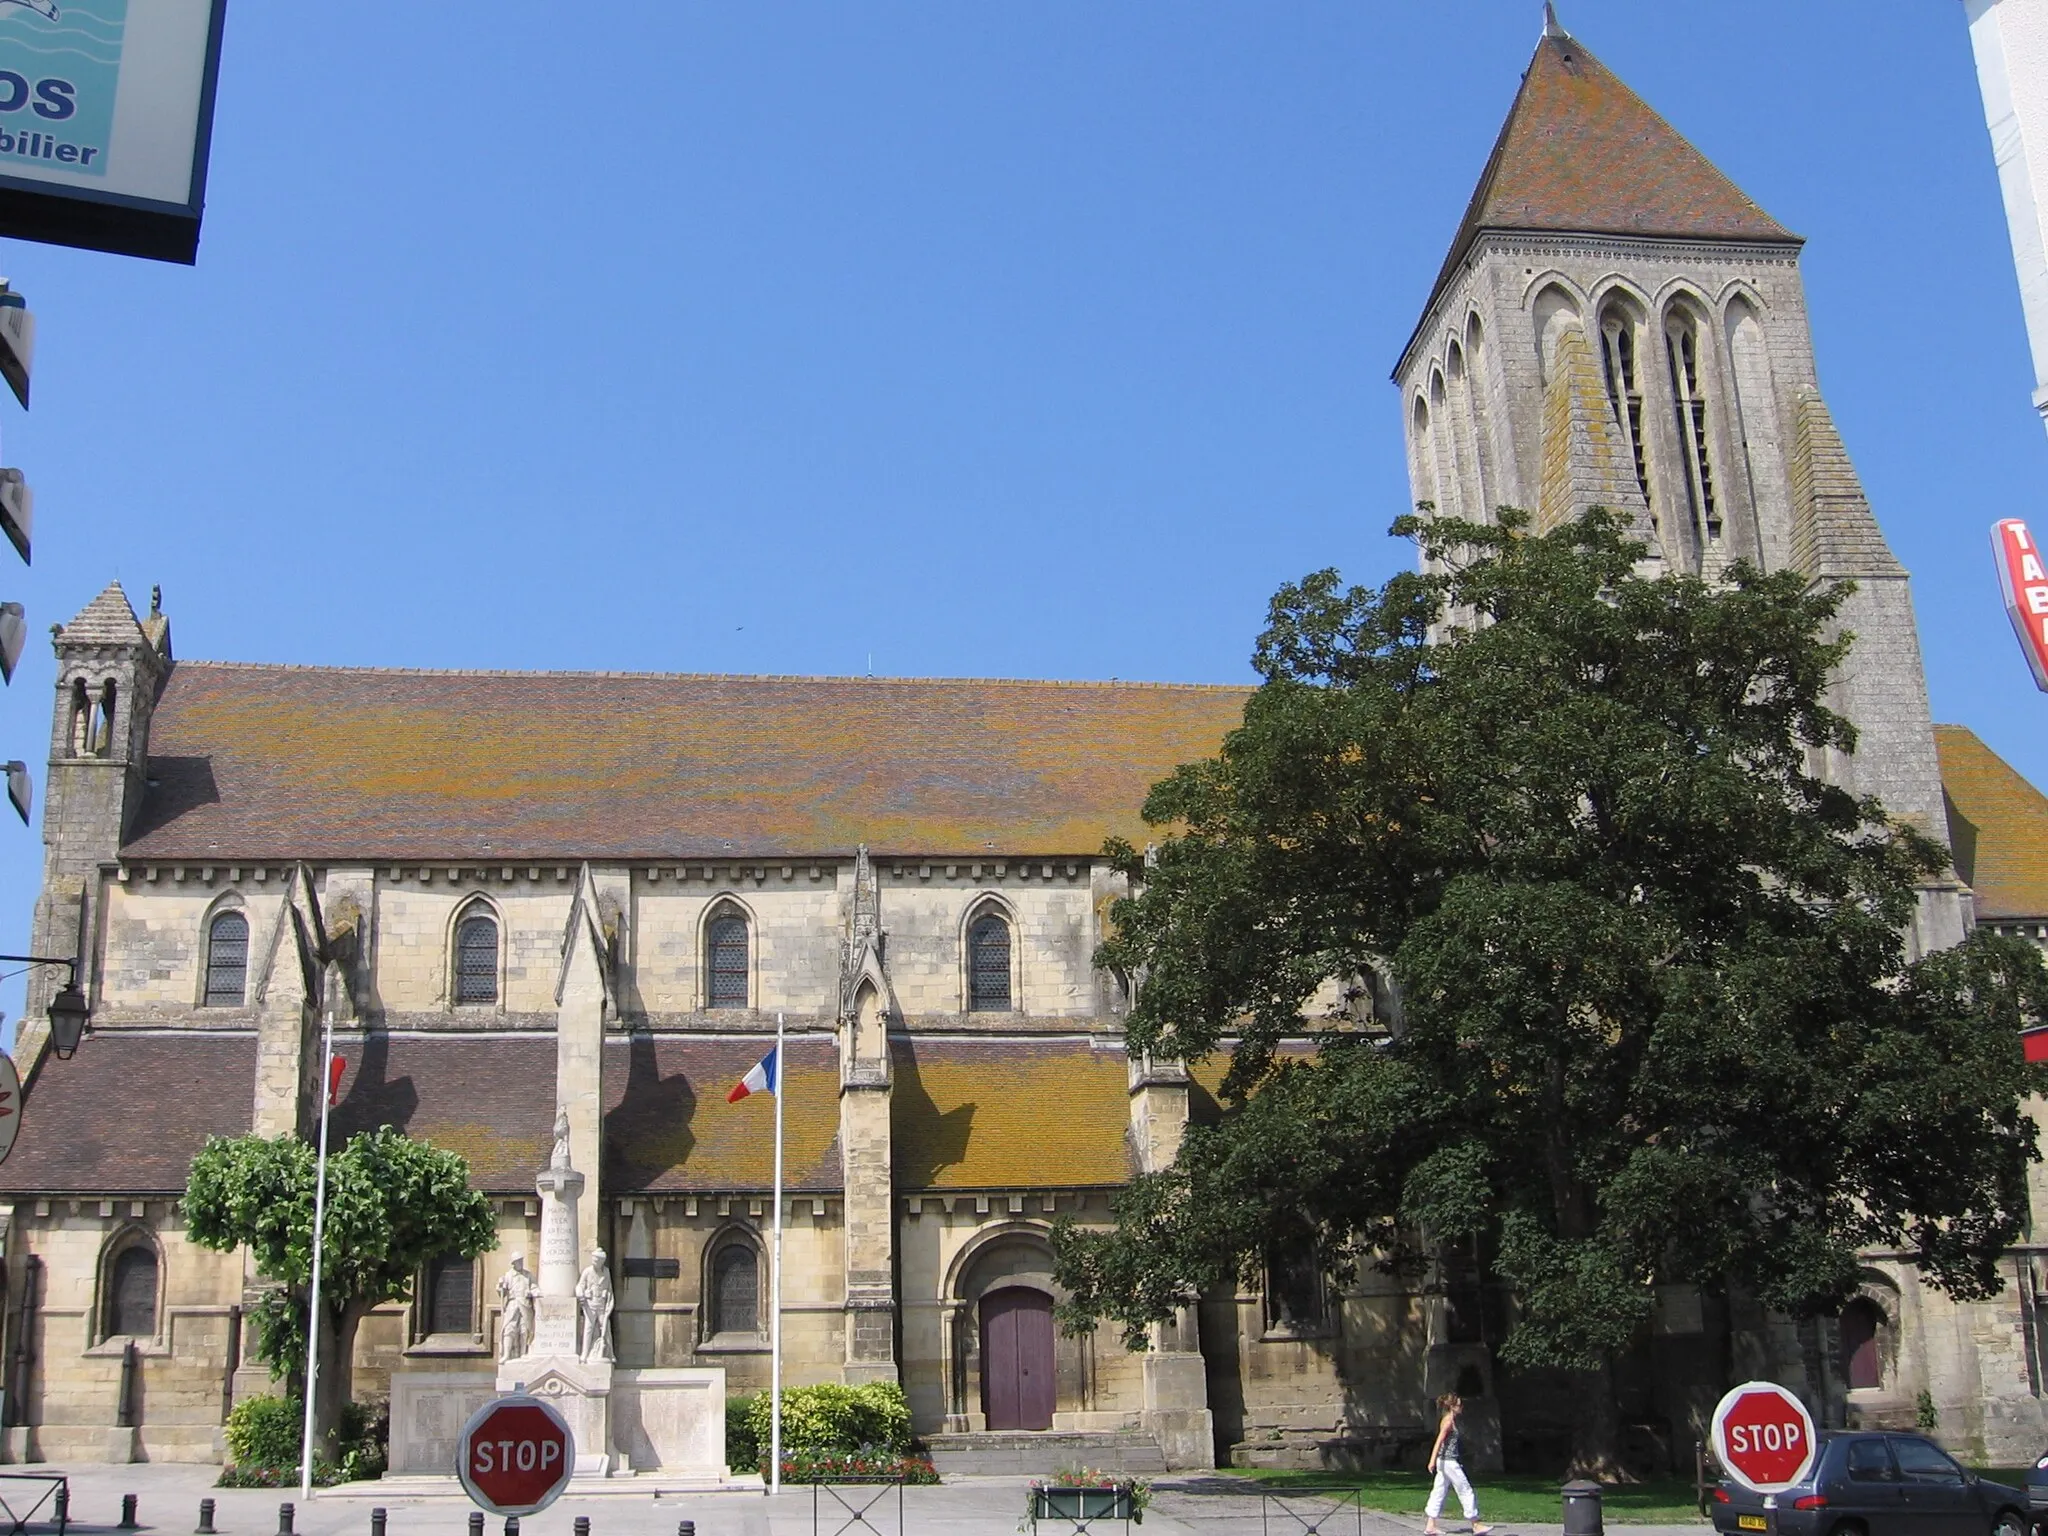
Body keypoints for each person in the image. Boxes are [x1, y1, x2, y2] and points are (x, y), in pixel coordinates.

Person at [1425, 1392, 1491, 1536]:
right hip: (1448, 1462)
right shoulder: (1448, 1421)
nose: (1462, 1407)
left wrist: (1435, 1461)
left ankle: (1431, 1525)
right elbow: (1439, 1441)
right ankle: (1476, 1523)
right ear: (1452, 1407)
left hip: (1444, 1461)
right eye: (1459, 1405)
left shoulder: (1449, 1420)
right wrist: (1431, 1461)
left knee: (1439, 1491)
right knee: (1465, 1489)